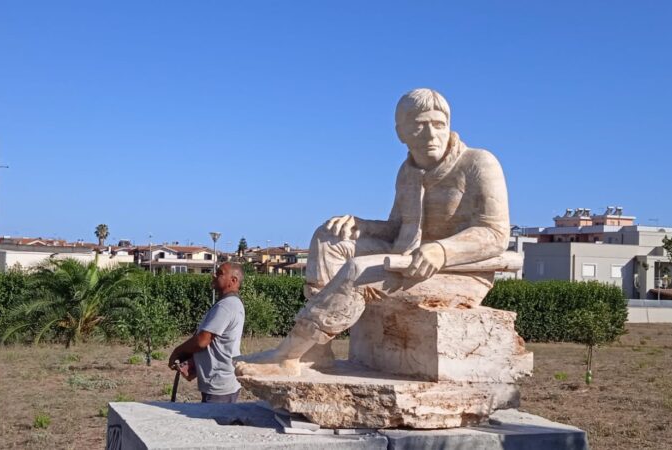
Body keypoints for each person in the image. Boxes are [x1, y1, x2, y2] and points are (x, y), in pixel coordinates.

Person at [236, 88, 510, 377]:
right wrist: (361, 225)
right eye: (419, 124)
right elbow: (398, 229)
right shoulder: (408, 172)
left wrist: (442, 250)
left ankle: (288, 355)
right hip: (406, 263)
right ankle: (316, 349)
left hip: (457, 272)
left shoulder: (479, 163)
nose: (431, 134)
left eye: (438, 124)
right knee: (328, 237)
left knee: (359, 269)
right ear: (401, 132)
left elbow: (495, 233)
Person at [169, 262, 245, 403]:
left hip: (219, 385)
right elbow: (215, 344)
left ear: (233, 281)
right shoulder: (231, 303)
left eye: (220, 273)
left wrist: (178, 351)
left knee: (215, 424)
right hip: (220, 381)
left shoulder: (226, 306)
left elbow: (202, 341)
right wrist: (192, 361)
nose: (214, 275)